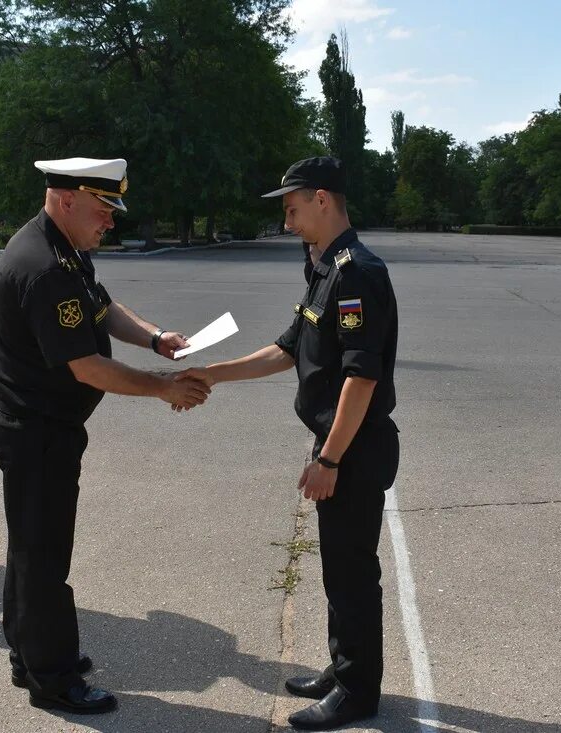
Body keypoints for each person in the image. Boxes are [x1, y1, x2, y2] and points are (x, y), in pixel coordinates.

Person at [0, 156, 210, 715]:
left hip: (42, 426)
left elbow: (103, 309)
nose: (110, 220)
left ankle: (28, 652)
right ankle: (53, 679)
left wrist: (156, 338)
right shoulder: (46, 268)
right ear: (67, 200)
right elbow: (85, 366)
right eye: (103, 207)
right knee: (44, 558)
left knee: (30, 548)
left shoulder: (65, 251)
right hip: (38, 431)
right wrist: (162, 387)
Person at [196, 156, 399, 730]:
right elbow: (288, 348)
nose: (286, 221)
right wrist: (214, 373)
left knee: (352, 571)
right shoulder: (324, 267)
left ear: (323, 200)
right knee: (337, 567)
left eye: (291, 208)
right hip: (337, 441)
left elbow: (362, 379)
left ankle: (358, 691)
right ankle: (344, 667)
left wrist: (330, 457)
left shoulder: (358, 272)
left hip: (353, 447)